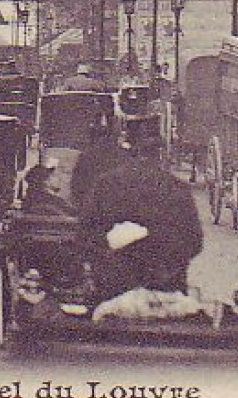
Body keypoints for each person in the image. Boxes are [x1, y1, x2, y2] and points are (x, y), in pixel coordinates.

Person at [78, 116, 204, 301]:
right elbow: (194, 242)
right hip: (167, 293)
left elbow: (85, 237)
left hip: (113, 292)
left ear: (128, 150)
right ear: (160, 154)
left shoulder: (106, 185)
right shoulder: (177, 188)